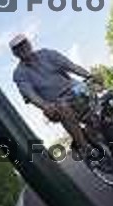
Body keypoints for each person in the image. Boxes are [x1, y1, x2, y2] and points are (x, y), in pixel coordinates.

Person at [9, 34, 106, 164]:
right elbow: (31, 95)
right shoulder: (19, 73)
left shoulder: (47, 54)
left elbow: (71, 66)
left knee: (98, 114)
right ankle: (85, 148)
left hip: (73, 90)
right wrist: (45, 106)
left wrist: (90, 76)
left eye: (24, 44)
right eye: (18, 48)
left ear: (29, 43)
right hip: (54, 105)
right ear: (15, 54)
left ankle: (94, 134)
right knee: (63, 107)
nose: (23, 48)